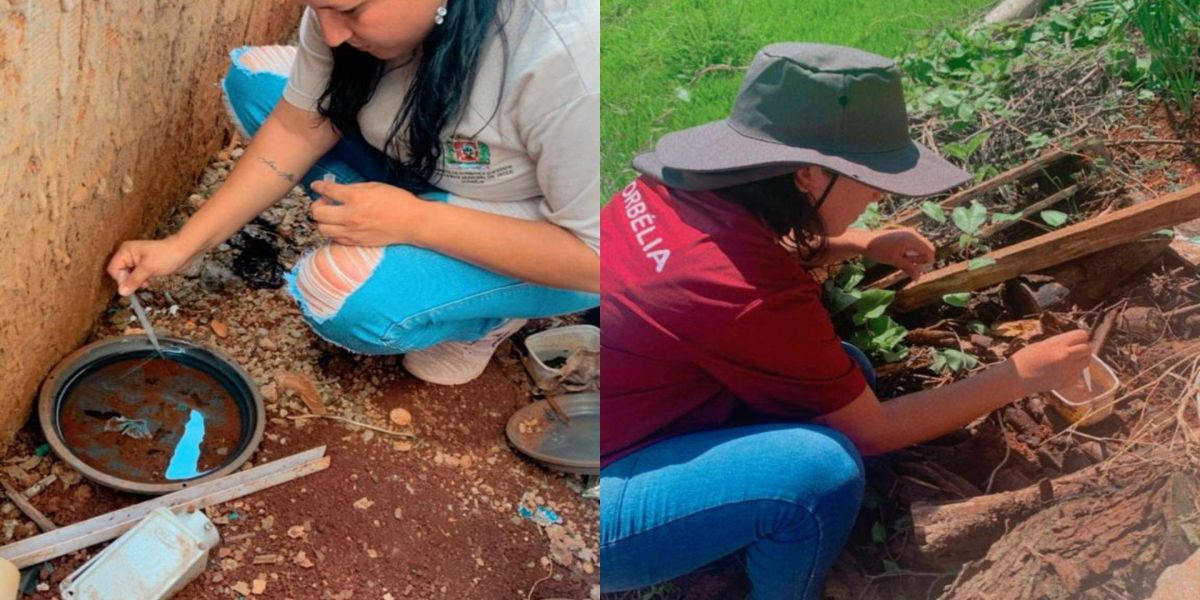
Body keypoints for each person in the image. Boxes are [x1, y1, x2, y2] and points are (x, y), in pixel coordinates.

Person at [599, 43, 1092, 599]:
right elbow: (870, 430)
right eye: (872, 176)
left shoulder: (675, 188)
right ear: (808, 175)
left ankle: (729, 528)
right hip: (602, 501)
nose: (879, 192)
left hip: (621, 413)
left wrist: (859, 241)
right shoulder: (746, 294)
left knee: (847, 371)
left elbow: (732, 261)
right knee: (818, 472)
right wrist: (1019, 376)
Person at [107, 0, 600, 385]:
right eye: (319, 9)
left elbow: (602, 259)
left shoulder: (567, 63)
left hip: (547, 229)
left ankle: (485, 318)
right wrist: (183, 245)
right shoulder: (338, 24)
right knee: (253, 80)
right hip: (437, 164)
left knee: (336, 292)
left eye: (351, 10)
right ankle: (417, 241)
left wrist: (415, 221)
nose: (331, 33)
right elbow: (298, 130)